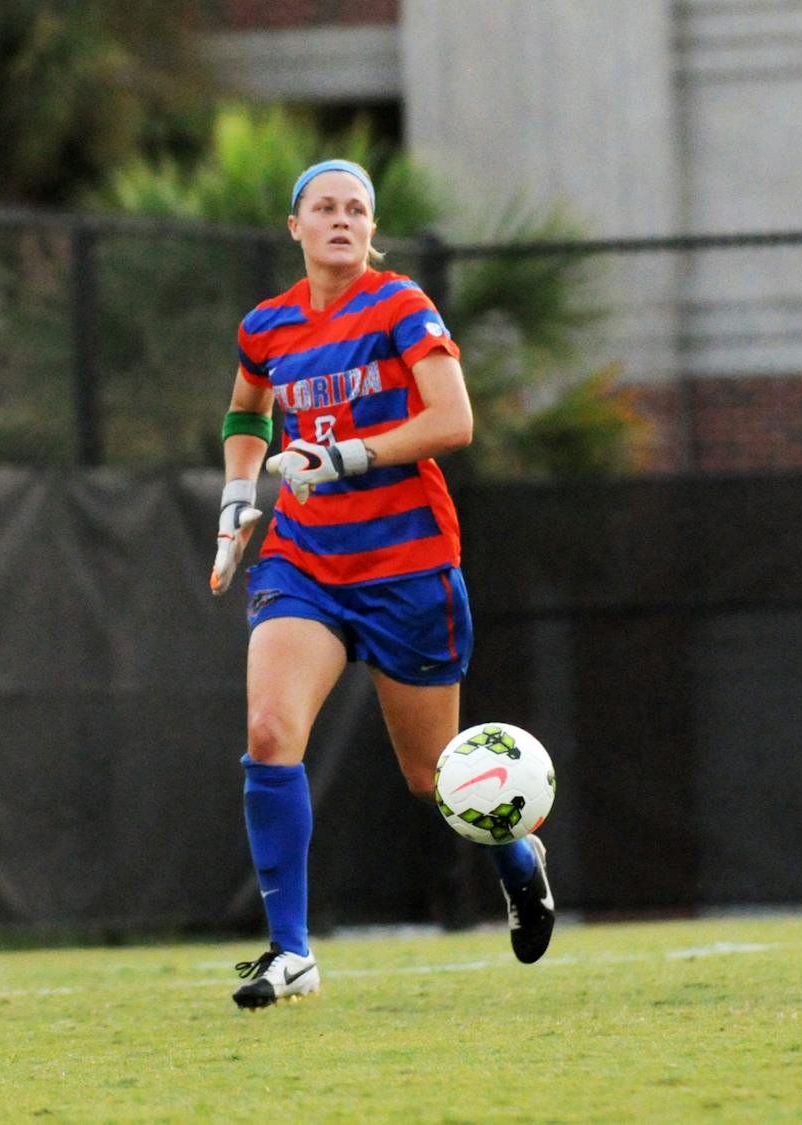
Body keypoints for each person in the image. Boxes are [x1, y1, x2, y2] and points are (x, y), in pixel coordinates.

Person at [210, 158, 554, 1010]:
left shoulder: (398, 305)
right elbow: (249, 409)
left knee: (433, 775)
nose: (340, 219)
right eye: (323, 207)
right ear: (294, 226)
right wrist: (235, 496)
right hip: (306, 559)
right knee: (267, 729)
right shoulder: (268, 324)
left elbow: (454, 420)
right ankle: (290, 951)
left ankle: (519, 858)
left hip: (406, 561)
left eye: (356, 209)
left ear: (371, 230)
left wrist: (344, 456)